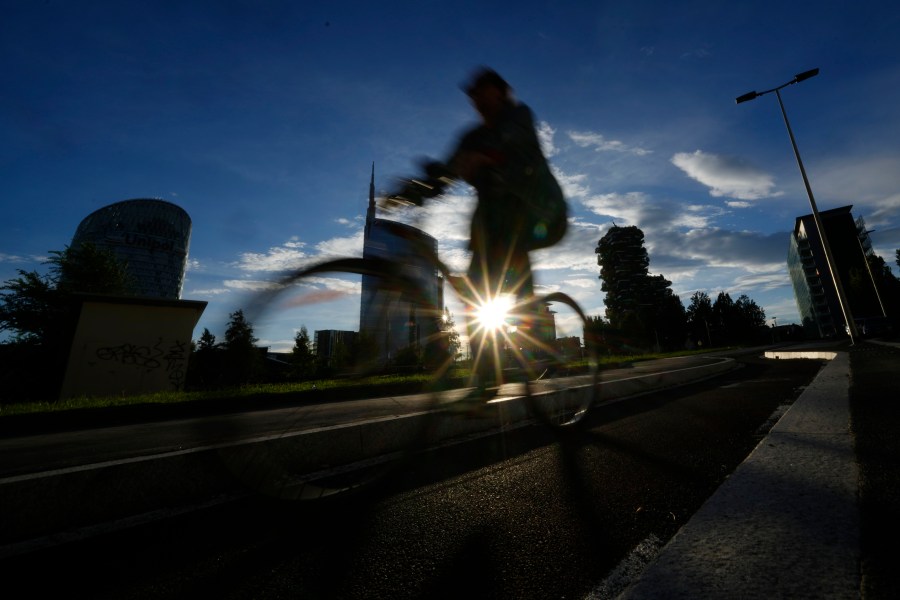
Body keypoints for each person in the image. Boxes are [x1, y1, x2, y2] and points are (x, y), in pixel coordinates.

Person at [389, 67, 567, 398]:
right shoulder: (470, 138)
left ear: (502, 92)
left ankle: (537, 334)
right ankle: (485, 377)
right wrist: (412, 192)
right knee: (474, 296)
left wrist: (484, 157)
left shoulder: (519, 116)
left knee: (511, 261)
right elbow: (445, 173)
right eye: (472, 95)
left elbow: (512, 144)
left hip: (540, 213)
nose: (476, 99)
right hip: (494, 224)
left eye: (482, 91)